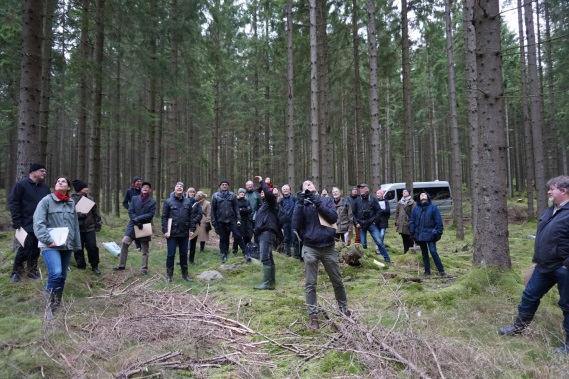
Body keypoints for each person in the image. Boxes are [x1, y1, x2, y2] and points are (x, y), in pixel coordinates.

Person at [499, 176, 569, 354]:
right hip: (543, 266)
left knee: (567, 305)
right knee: (529, 295)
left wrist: (566, 265)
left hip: (563, 268)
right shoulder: (549, 211)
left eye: (552, 189)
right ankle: (518, 328)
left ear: (564, 190)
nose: (548, 192)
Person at [292, 180, 350, 329]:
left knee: (337, 281)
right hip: (310, 247)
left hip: (328, 247)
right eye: (305, 185)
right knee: (310, 284)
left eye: (310, 184)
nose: (308, 186)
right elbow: (295, 225)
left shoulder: (326, 200)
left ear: (315, 187)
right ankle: (313, 316)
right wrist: (299, 204)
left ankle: (344, 310)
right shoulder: (301, 205)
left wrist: (317, 202)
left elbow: (333, 218)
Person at [33, 177, 81, 319]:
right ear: (55, 186)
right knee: (56, 273)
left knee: (62, 277)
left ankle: (56, 305)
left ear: (68, 188)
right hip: (50, 245)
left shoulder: (71, 202)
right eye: (58, 181)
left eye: (64, 182)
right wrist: (48, 240)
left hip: (66, 245)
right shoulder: (46, 201)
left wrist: (76, 244)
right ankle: (48, 306)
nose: (60, 183)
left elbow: (75, 225)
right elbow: (38, 223)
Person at [8, 163, 50, 282]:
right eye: (42, 171)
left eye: (45, 171)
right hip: (24, 223)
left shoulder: (45, 188)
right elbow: (13, 203)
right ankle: (16, 272)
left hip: (40, 224)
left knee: (36, 248)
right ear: (33, 172)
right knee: (24, 248)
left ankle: (32, 270)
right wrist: (16, 221)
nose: (44, 173)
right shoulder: (21, 185)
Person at [162, 182, 202, 282]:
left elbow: (191, 217)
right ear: (174, 189)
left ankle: (185, 275)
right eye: (177, 186)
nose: (179, 187)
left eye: (181, 187)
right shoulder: (168, 202)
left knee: (184, 254)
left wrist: (192, 229)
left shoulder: (188, 202)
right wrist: (165, 231)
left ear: (183, 190)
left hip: (184, 233)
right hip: (172, 233)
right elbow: (164, 217)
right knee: (171, 254)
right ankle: (169, 276)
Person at [114, 182, 156, 274]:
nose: (145, 188)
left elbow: (150, 215)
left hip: (144, 226)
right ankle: (121, 266)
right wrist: (135, 220)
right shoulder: (134, 198)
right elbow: (130, 211)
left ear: (150, 190)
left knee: (145, 249)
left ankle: (144, 269)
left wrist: (138, 219)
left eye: (147, 187)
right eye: (143, 187)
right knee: (125, 242)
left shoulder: (152, 201)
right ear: (141, 189)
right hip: (132, 225)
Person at [253, 176, 282, 289]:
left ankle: (267, 283)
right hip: (263, 233)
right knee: (268, 257)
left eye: (263, 192)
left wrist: (262, 182)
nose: (261, 193)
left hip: (267, 232)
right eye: (260, 193)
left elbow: (268, 193)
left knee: (265, 257)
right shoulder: (265, 204)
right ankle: (271, 282)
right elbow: (260, 191)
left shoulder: (271, 201)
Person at [352, 183, 391, 264]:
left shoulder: (373, 199)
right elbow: (353, 214)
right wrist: (356, 223)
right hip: (361, 225)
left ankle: (387, 259)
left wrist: (374, 221)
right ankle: (366, 260)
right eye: (360, 188)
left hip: (371, 224)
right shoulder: (356, 201)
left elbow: (379, 211)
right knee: (363, 244)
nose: (360, 189)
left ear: (367, 189)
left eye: (362, 188)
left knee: (379, 241)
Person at [409, 192, 445, 276]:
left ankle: (441, 271)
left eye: (424, 195)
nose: (423, 196)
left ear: (427, 197)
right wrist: (412, 232)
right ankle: (427, 271)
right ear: (419, 198)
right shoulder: (416, 209)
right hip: (420, 235)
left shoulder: (433, 208)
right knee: (424, 253)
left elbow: (438, 221)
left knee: (433, 252)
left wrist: (437, 232)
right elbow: (412, 221)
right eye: (421, 195)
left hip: (431, 235)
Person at [71, 179, 102, 275]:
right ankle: (81, 266)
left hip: (90, 227)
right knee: (78, 248)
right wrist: (80, 214)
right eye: (85, 187)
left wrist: (98, 222)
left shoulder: (90, 198)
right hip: (77, 229)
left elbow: (94, 212)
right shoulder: (71, 199)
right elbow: (71, 214)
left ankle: (95, 266)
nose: (87, 189)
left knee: (92, 247)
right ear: (80, 189)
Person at [211, 180, 247, 262]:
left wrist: (238, 219)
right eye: (223, 184)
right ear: (220, 186)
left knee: (238, 236)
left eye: (226, 184)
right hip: (220, 221)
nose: (224, 186)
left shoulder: (232, 195)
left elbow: (236, 208)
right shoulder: (215, 196)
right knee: (223, 238)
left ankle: (246, 253)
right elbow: (213, 211)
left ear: (228, 186)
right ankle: (224, 254)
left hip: (232, 220)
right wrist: (214, 223)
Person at [190, 191, 211, 263]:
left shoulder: (207, 203)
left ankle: (202, 248)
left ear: (202, 196)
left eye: (200, 195)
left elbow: (208, 213)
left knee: (203, 235)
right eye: (197, 195)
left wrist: (208, 221)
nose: (198, 196)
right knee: (194, 234)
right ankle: (191, 248)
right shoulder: (194, 202)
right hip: (196, 220)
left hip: (203, 220)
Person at [279, 184, 298, 257]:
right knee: (286, 239)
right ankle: (287, 254)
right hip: (285, 223)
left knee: (295, 239)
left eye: (287, 189)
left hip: (294, 222)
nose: (285, 190)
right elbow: (280, 212)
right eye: (284, 189)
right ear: (282, 191)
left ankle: (296, 255)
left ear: (290, 190)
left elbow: (297, 209)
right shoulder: (281, 201)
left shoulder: (294, 198)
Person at [234, 188, 253, 256]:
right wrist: (244, 209)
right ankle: (234, 250)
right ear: (238, 193)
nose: (242, 193)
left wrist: (241, 209)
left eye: (243, 192)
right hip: (238, 220)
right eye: (240, 192)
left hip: (246, 220)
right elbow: (236, 210)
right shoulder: (235, 200)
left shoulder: (247, 201)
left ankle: (245, 251)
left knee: (246, 236)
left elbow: (250, 210)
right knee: (237, 236)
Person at [395, 189, 415, 253]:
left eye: (405, 191)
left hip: (408, 223)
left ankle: (412, 251)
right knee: (404, 238)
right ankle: (405, 251)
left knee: (410, 238)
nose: (404, 193)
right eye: (403, 192)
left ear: (408, 193)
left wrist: (411, 222)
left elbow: (414, 213)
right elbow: (397, 213)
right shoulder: (400, 202)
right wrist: (396, 221)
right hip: (401, 224)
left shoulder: (412, 202)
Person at [374, 189, 391, 256]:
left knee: (382, 235)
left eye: (379, 193)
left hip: (384, 221)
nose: (377, 195)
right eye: (377, 193)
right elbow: (374, 211)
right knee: (377, 235)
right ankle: (378, 249)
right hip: (376, 221)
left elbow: (387, 211)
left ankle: (379, 248)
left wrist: (380, 211)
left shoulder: (386, 201)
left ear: (382, 194)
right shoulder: (375, 201)